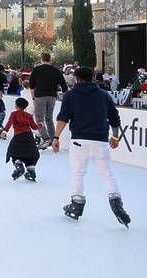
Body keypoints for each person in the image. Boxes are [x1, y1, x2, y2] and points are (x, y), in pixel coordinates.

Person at [52, 66, 130, 227]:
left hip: (79, 141)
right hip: (100, 141)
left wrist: (56, 137)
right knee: (107, 173)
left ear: (77, 79)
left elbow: (63, 118)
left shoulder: (70, 95)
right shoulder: (103, 95)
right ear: (93, 78)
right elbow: (115, 118)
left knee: (78, 173)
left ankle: (77, 204)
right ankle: (116, 202)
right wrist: (115, 136)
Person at [29, 52, 69, 149]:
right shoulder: (56, 70)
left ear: (41, 59)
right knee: (49, 118)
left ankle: (46, 138)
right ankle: (53, 140)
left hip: (40, 96)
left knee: (39, 119)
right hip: (52, 96)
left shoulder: (37, 69)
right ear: (50, 59)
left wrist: (33, 98)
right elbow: (64, 87)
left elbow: (31, 85)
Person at [1, 97, 41, 182]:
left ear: (16, 105)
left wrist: (5, 131)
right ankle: (31, 169)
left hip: (19, 136)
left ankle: (19, 166)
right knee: (31, 153)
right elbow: (34, 127)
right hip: (29, 137)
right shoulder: (29, 115)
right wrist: (40, 125)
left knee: (14, 152)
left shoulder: (14, 114)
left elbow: (9, 122)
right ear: (25, 107)